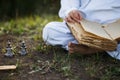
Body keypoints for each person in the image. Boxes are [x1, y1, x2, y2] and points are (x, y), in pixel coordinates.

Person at [42, 0, 120, 60]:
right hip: (83, 23)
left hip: (113, 28)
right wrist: (71, 10)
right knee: (50, 30)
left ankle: (94, 49)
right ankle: (94, 44)